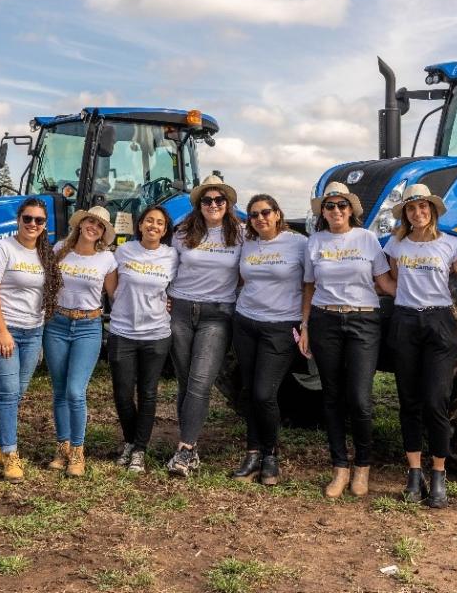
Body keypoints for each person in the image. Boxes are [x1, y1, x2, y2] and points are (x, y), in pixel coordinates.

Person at [300, 181, 395, 498]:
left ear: (351, 210)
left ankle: (363, 467)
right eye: (330, 206)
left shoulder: (367, 240)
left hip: (363, 320)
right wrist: (305, 325)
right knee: (332, 397)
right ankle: (340, 467)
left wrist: (427, 294)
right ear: (323, 212)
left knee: (359, 398)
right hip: (324, 319)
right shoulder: (314, 242)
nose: (336, 210)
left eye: (342, 205)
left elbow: (384, 283)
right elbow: (309, 287)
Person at [384, 184, 457, 507]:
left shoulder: (450, 246)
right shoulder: (397, 246)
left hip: (439, 323)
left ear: (432, 211)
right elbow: (394, 282)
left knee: (436, 400)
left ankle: (438, 473)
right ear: (406, 214)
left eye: (423, 207)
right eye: (411, 209)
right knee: (408, 400)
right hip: (406, 322)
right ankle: (413, 473)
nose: (418, 213)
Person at [0, 198, 61, 482]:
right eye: (28, 219)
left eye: (38, 220)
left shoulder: (45, 253)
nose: (32, 225)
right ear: (18, 220)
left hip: (32, 330)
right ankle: (11, 456)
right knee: (8, 393)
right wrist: (2, 331)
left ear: (45, 224)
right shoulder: (3, 249)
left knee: (16, 392)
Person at [166, 174, 243, 477]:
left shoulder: (240, 234)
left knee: (200, 381)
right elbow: (167, 268)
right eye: (207, 200)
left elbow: (249, 270)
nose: (213, 204)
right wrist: (163, 297)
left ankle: (185, 449)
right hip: (181, 311)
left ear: (228, 204)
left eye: (219, 200)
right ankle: (190, 447)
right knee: (186, 381)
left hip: (217, 314)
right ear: (199, 204)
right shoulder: (183, 232)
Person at [230, 193, 308, 486]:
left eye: (265, 212)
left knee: (265, 392)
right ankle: (252, 455)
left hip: (281, 326)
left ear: (277, 213)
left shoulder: (298, 243)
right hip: (246, 322)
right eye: (253, 215)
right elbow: (236, 278)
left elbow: (310, 285)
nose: (260, 218)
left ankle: (270, 454)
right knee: (250, 391)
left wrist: (305, 323)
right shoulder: (246, 244)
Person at [45, 206, 118, 477]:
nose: (93, 227)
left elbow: (116, 295)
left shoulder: (106, 260)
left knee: (76, 391)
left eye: (99, 226)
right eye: (90, 221)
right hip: (58, 324)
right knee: (60, 390)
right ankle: (62, 447)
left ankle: (78, 450)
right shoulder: (60, 249)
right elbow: (45, 284)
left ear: (102, 233)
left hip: (88, 326)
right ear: (81, 223)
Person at [108, 205, 178, 474]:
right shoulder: (124, 251)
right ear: (140, 225)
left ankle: (139, 449)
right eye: (149, 221)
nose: (154, 226)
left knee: (148, 393)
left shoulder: (172, 256)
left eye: (160, 223)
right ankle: (129, 440)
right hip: (123, 331)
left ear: (165, 229)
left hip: (156, 334)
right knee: (123, 394)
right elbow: (112, 288)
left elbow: (181, 285)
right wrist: (123, 305)